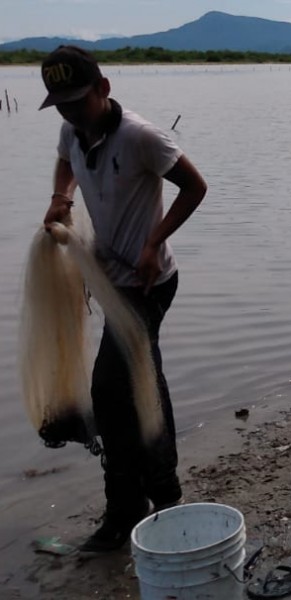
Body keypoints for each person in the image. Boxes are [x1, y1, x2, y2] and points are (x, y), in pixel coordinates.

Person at [39, 45, 207, 551]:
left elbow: (195, 188)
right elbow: (65, 160)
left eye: (78, 100)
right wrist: (60, 198)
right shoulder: (72, 129)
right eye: (61, 103)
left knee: (116, 391)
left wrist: (154, 242)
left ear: (103, 88)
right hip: (112, 279)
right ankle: (155, 496)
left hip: (149, 282)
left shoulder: (141, 136)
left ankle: (133, 508)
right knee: (136, 388)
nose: (70, 111)